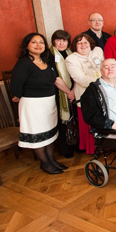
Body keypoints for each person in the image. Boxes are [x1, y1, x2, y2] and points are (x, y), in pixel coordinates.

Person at [11, 33, 74, 174]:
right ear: (27, 45)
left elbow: (54, 80)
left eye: (41, 42)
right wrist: (19, 96)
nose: (38, 45)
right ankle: (45, 163)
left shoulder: (46, 61)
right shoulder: (24, 63)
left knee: (49, 133)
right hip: (33, 106)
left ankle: (51, 160)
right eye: (34, 42)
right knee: (38, 134)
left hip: (49, 104)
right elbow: (15, 87)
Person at [65, 33, 104, 154]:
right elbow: (80, 78)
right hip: (85, 94)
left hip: (103, 92)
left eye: (85, 42)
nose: (83, 45)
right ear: (75, 45)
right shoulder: (71, 59)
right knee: (89, 121)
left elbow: (105, 66)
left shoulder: (97, 51)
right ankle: (92, 148)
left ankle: (105, 145)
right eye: (79, 43)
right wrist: (102, 83)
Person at [49, 29, 75, 158]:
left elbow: (75, 74)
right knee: (63, 122)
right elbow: (55, 78)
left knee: (73, 119)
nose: (61, 43)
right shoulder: (50, 55)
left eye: (64, 40)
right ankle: (65, 149)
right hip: (59, 94)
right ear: (53, 41)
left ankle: (74, 144)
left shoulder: (69, 53)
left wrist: (73, 90)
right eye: (58, 40)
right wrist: (68, 92)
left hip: (72, 91)